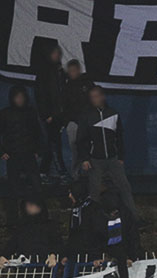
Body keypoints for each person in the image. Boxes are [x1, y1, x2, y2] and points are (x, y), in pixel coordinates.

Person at [77, 85, 142, 222]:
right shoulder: (86, 116)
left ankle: (133, 220)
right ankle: (93, 222)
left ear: (103, 96)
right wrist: (85, 159)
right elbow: (81, 139)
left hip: (113, 159)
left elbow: (119, 136)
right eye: (92, 97)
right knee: (94, 192)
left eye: (97, 96)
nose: (95, 99)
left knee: (124, 188)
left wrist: (121, 157)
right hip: (95, 160)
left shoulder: (113, 113)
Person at [0, 85, 43, 222]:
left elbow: (37, 132)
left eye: (21, 97)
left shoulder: (30, 112)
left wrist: (37, 150)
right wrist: (2, 152)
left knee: (37, 185)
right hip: (13, 155)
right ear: (12, 98)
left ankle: (41, 216)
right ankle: (13, 218)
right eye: (17, 97)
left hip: (28, 153)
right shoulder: (5, 113)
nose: (19, 99)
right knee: (13, 188)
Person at [34, 44, 68, 180]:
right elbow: (40, 94)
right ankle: (57, 171)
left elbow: (63, 93)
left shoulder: (60, 72)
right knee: (51, 142)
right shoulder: (44, 71)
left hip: (58, 114)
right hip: (49, 115)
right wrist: (46, 114)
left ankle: (45, 171)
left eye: (58, 53)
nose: (57, 56)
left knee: (53, 141)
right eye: (54, 53)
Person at [1, 198, 62, 269]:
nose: (30, 206)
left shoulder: (49, 226)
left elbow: (57, 243)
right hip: (24, 268)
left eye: (34, 204)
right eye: (28, 204)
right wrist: (3, 256)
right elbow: (12, 244)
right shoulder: (22, 227)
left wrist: (53, 255)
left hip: (44, 266)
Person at [62, 59, 93, 177]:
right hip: (73, 123)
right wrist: (67, 122)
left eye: (74, 71)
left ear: (79, 70)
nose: (72, 73)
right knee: (75, 150)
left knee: (89, 149)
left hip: (87, 122)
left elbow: (95, 100)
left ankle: (90, 175)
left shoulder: (88, 83)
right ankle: (76, 176)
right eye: (70, 71)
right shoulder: (66, 87)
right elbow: (63, 106)